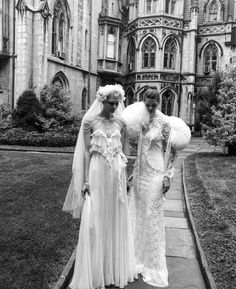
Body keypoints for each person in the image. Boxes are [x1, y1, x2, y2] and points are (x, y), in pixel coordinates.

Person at [62, 84, 137, 289]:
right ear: (102, 101)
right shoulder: (90, 120)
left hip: (116, 174)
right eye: (111, 103)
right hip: (96, 172)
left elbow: (125, 149)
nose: (114, 107)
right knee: (94, 218)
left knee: (115, 215)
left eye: (117, 103)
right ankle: (95, 270)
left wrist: (127, 173)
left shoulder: (121, 122)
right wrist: (85, 180)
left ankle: (112, 268)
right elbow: (86, 152)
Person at [122, 88, 191, 287]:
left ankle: (153, 265)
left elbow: (173, 152)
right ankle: (136, 258)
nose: (151, 108)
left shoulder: (164, 122)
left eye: (154, 104)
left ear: (159, 102)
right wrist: (133, 172)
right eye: (148, 104)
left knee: (152, 215)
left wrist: (168, 176)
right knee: (138, 213)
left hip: (156, 173)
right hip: (141, 173)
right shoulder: (140, 119)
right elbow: (140, 149)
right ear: (143, 101)